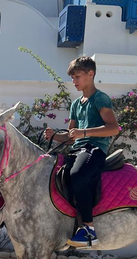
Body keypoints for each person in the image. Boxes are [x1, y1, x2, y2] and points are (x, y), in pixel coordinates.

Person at [44, 56, 120, 247]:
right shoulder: (76, 104)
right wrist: (54, 136)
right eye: (73, 78)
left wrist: (84, 132)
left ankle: (88, 229)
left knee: (77, 175)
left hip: (95, 149)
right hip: (77, 149)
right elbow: (71, 136)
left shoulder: (100, 99)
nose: (74, 81)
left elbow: (113, 128)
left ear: (91, 74)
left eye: (77, 76)